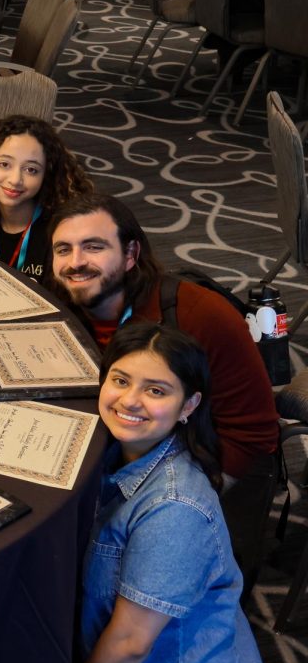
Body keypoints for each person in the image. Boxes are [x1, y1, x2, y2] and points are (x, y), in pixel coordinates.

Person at [70, 321, 267, 663]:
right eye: (121, 380)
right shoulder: (119, 452)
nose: (130, 400)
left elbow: (130, 643)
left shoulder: (175, 507)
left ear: (189, 406)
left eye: (156, 390)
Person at [48, 193, 278, 482]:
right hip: (117, 445)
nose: (76, 262)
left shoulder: (200, 315)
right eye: (63, 250)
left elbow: (254, 436)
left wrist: (184, 502)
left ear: (130, 254)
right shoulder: (60, 303)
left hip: (183, 467)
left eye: (94, 247)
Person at [0, 115, 92, 281]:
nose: (15, 179)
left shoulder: (59, 234)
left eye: (31, 170)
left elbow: (63, 301)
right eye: (4, 164)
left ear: (46, 176)